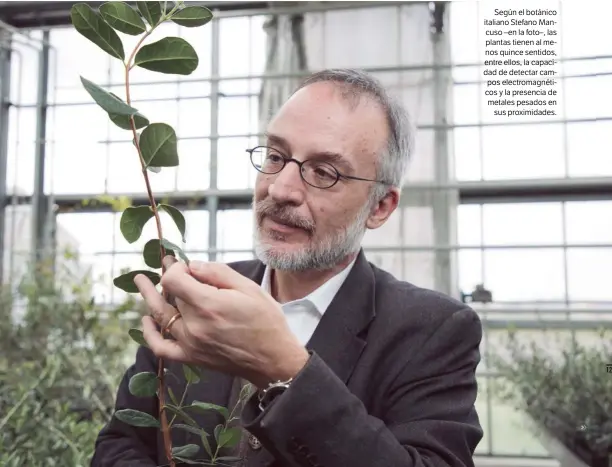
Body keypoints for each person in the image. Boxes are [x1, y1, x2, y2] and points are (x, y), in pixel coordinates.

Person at [91, 68, 483, 467]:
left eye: (323, 172)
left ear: (379, 207)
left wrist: (287, 371)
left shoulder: (432, 330)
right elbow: (121, 443)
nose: (280, 189)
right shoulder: (194, 294)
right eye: (276, 157)